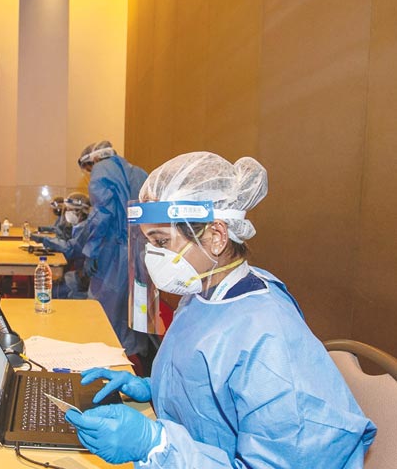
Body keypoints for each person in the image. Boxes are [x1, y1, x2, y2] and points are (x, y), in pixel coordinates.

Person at [66, 152, 376, 468]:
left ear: (216, 236)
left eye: (161, 242)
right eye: (148, 243)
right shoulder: (205, 294)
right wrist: (150, 388)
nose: (151, 256)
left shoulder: (268, 334)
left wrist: (155, 446)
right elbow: (209, 387)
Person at [78, 141, 148, 358]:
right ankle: (132, 358)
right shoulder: (138, 172)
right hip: (141, 251)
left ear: (93, 160)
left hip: (115, 253)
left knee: (104, 311)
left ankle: (104, 359)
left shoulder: (101, 171)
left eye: (88, 168)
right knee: (132, 312)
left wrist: (91, 252)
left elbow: (102, 215)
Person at [32, 192, 91, 298]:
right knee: (50, 286)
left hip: (85, 279)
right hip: (80, 274)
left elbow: (70, 249)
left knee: (51, 291)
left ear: (80, 211)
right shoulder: (79, 227)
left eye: (70, 209)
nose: (67, 212)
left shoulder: (85, 229)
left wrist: (44, 240)